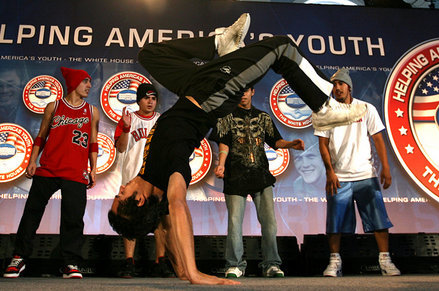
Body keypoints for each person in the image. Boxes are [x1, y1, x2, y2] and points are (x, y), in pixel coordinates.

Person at [108, 13, 366, 285]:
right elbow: (179, 206)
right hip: (213, 93)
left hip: (191, 87)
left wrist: (181, 269)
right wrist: (194, 274)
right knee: (280, 47)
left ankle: (221, 44)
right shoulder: (171, 173)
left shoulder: (152, 186)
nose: (121, 188)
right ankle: (323, 107)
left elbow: (170, 230)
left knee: (149, 54)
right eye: (120, 195)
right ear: (138, 200)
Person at [3, 67, 99, 279]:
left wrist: (93, 169)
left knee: (73, 219)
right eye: (85, 81)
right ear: (74, 83)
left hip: (75, 171)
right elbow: (41, 136)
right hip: (48, 167)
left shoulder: (92, 111)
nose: (89, 86)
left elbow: (93, 142)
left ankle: (70, 262)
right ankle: (19, 257)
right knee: (32, 214)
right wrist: (31, 161)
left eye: (90, 82)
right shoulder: (53, 106)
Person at [210, 86, 304, 278]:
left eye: (246, 90)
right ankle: (235, 265)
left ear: (252, 92)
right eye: (240, 90)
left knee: (269, 223)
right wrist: (221, 164)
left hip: (261, 175)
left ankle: (271, 264)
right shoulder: (226, 116)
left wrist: (291, 144)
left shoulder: (263, 117)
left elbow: (275, 141)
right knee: (235, 223)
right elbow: (224, 142)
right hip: (235, 175)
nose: (242, 93)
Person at [315, 67, 400, 277]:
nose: (337, 88)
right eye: (334, 85)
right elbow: (323, 145)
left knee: (379, 221)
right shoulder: (325, 111)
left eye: (340, 84)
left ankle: (385, 261)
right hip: (339, 177)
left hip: (366, 175)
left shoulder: (366, 108)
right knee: (334, 223)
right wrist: (330, 172)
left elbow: (378, 139)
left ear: (349, 87)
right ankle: (334, 262)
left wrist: (386, 168)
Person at [113, 83, 174, 278]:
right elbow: (121, 148)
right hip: (133, 178)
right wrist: (125, 128)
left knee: (159, 221)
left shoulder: (162, 120)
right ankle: (129, 262)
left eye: (153, 98)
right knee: (129, 218)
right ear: (139, 100)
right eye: (146, 98)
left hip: (156, 179)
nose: (150, 101)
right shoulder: (129, 119)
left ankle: (161, 262)